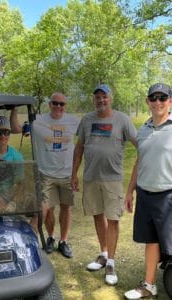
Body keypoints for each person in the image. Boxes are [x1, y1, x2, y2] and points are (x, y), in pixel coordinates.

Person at [71, 84, 137, 285]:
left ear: (111, 98)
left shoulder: (122, 119)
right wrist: (73, 174)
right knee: (97, 215)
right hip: (91, 178)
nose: (101, 100)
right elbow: (79, 147)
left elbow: (138, 144)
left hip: (112, 179)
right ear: (94, 100)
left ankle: (111, 263)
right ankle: (103, 253)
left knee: (113, 219)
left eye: (104, 97)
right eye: (97, 97)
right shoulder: (86, 120)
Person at [10, 92, 79, 258]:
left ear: (66, 106)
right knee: (46, 210)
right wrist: (13, 109)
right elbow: (16, 129)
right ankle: (49, 237)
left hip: (67, 173)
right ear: (50, 104)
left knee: (66, 208)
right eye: (55, 103)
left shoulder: (74, 121)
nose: (58, 107)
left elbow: (87, 137)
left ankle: (63, 241)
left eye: (62, 104)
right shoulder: (38, 121)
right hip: (45, 174)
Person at [124, 83, 172, 299]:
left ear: (170, 101)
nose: (158, 102)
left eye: (163, 97)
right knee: (151, 241)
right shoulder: (142, 130)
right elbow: (140, 161)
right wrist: (130, 190)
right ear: (148, 102)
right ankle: (149, 285)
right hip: (145, 194)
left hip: (167, 195)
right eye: (154, 98)